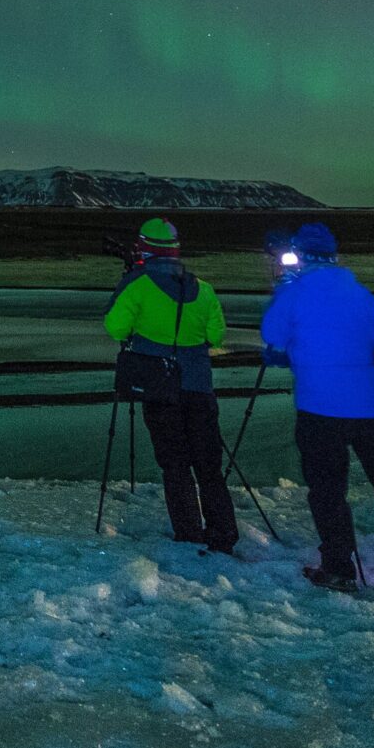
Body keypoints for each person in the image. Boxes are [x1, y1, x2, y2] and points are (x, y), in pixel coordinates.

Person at [258, 222, 374, 591]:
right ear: (335, 256)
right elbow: (371, 336)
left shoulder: (295, 291)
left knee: (327, 488)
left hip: (320, 407)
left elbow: (273, 336)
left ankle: (338, 567)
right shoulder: (361, 295)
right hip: (368, 406)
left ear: (301, 255)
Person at [102, 218, 238, 555]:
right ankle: (223, 534)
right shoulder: (202, 288)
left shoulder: (138, 283)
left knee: (175, 463)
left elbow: (116, 328)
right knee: (208, 465)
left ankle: (189, 532)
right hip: (199, 387)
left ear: (144, 247)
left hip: (160, 387)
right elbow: (216, 336)